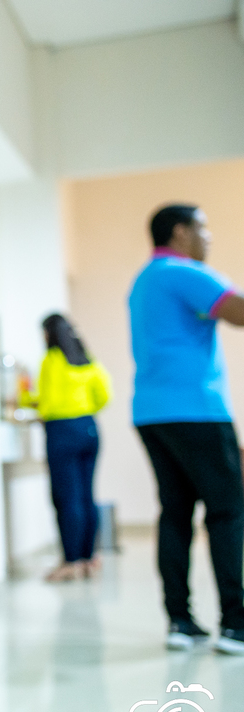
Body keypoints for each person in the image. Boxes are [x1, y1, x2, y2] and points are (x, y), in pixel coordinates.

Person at [129, 204, 244, 655]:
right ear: (180, 232)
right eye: (203, 227)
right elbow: (237, 311)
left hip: (152, 413)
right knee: (228, 511)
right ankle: (236, 624)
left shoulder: (143, 281)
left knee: (175, 513)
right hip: (197, 409)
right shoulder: (184, 272)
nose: (208, 237)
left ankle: (180, 621)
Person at [23, 314, 112, 582]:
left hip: (62, 432)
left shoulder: (51, 361)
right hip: (90, 428)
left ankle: (70, 562)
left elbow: (47, 403)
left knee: (66, 498)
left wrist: (26, 397)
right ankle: (89, 558)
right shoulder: (88, 361)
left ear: (49, 334)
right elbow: (105, 396)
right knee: (86, 496)